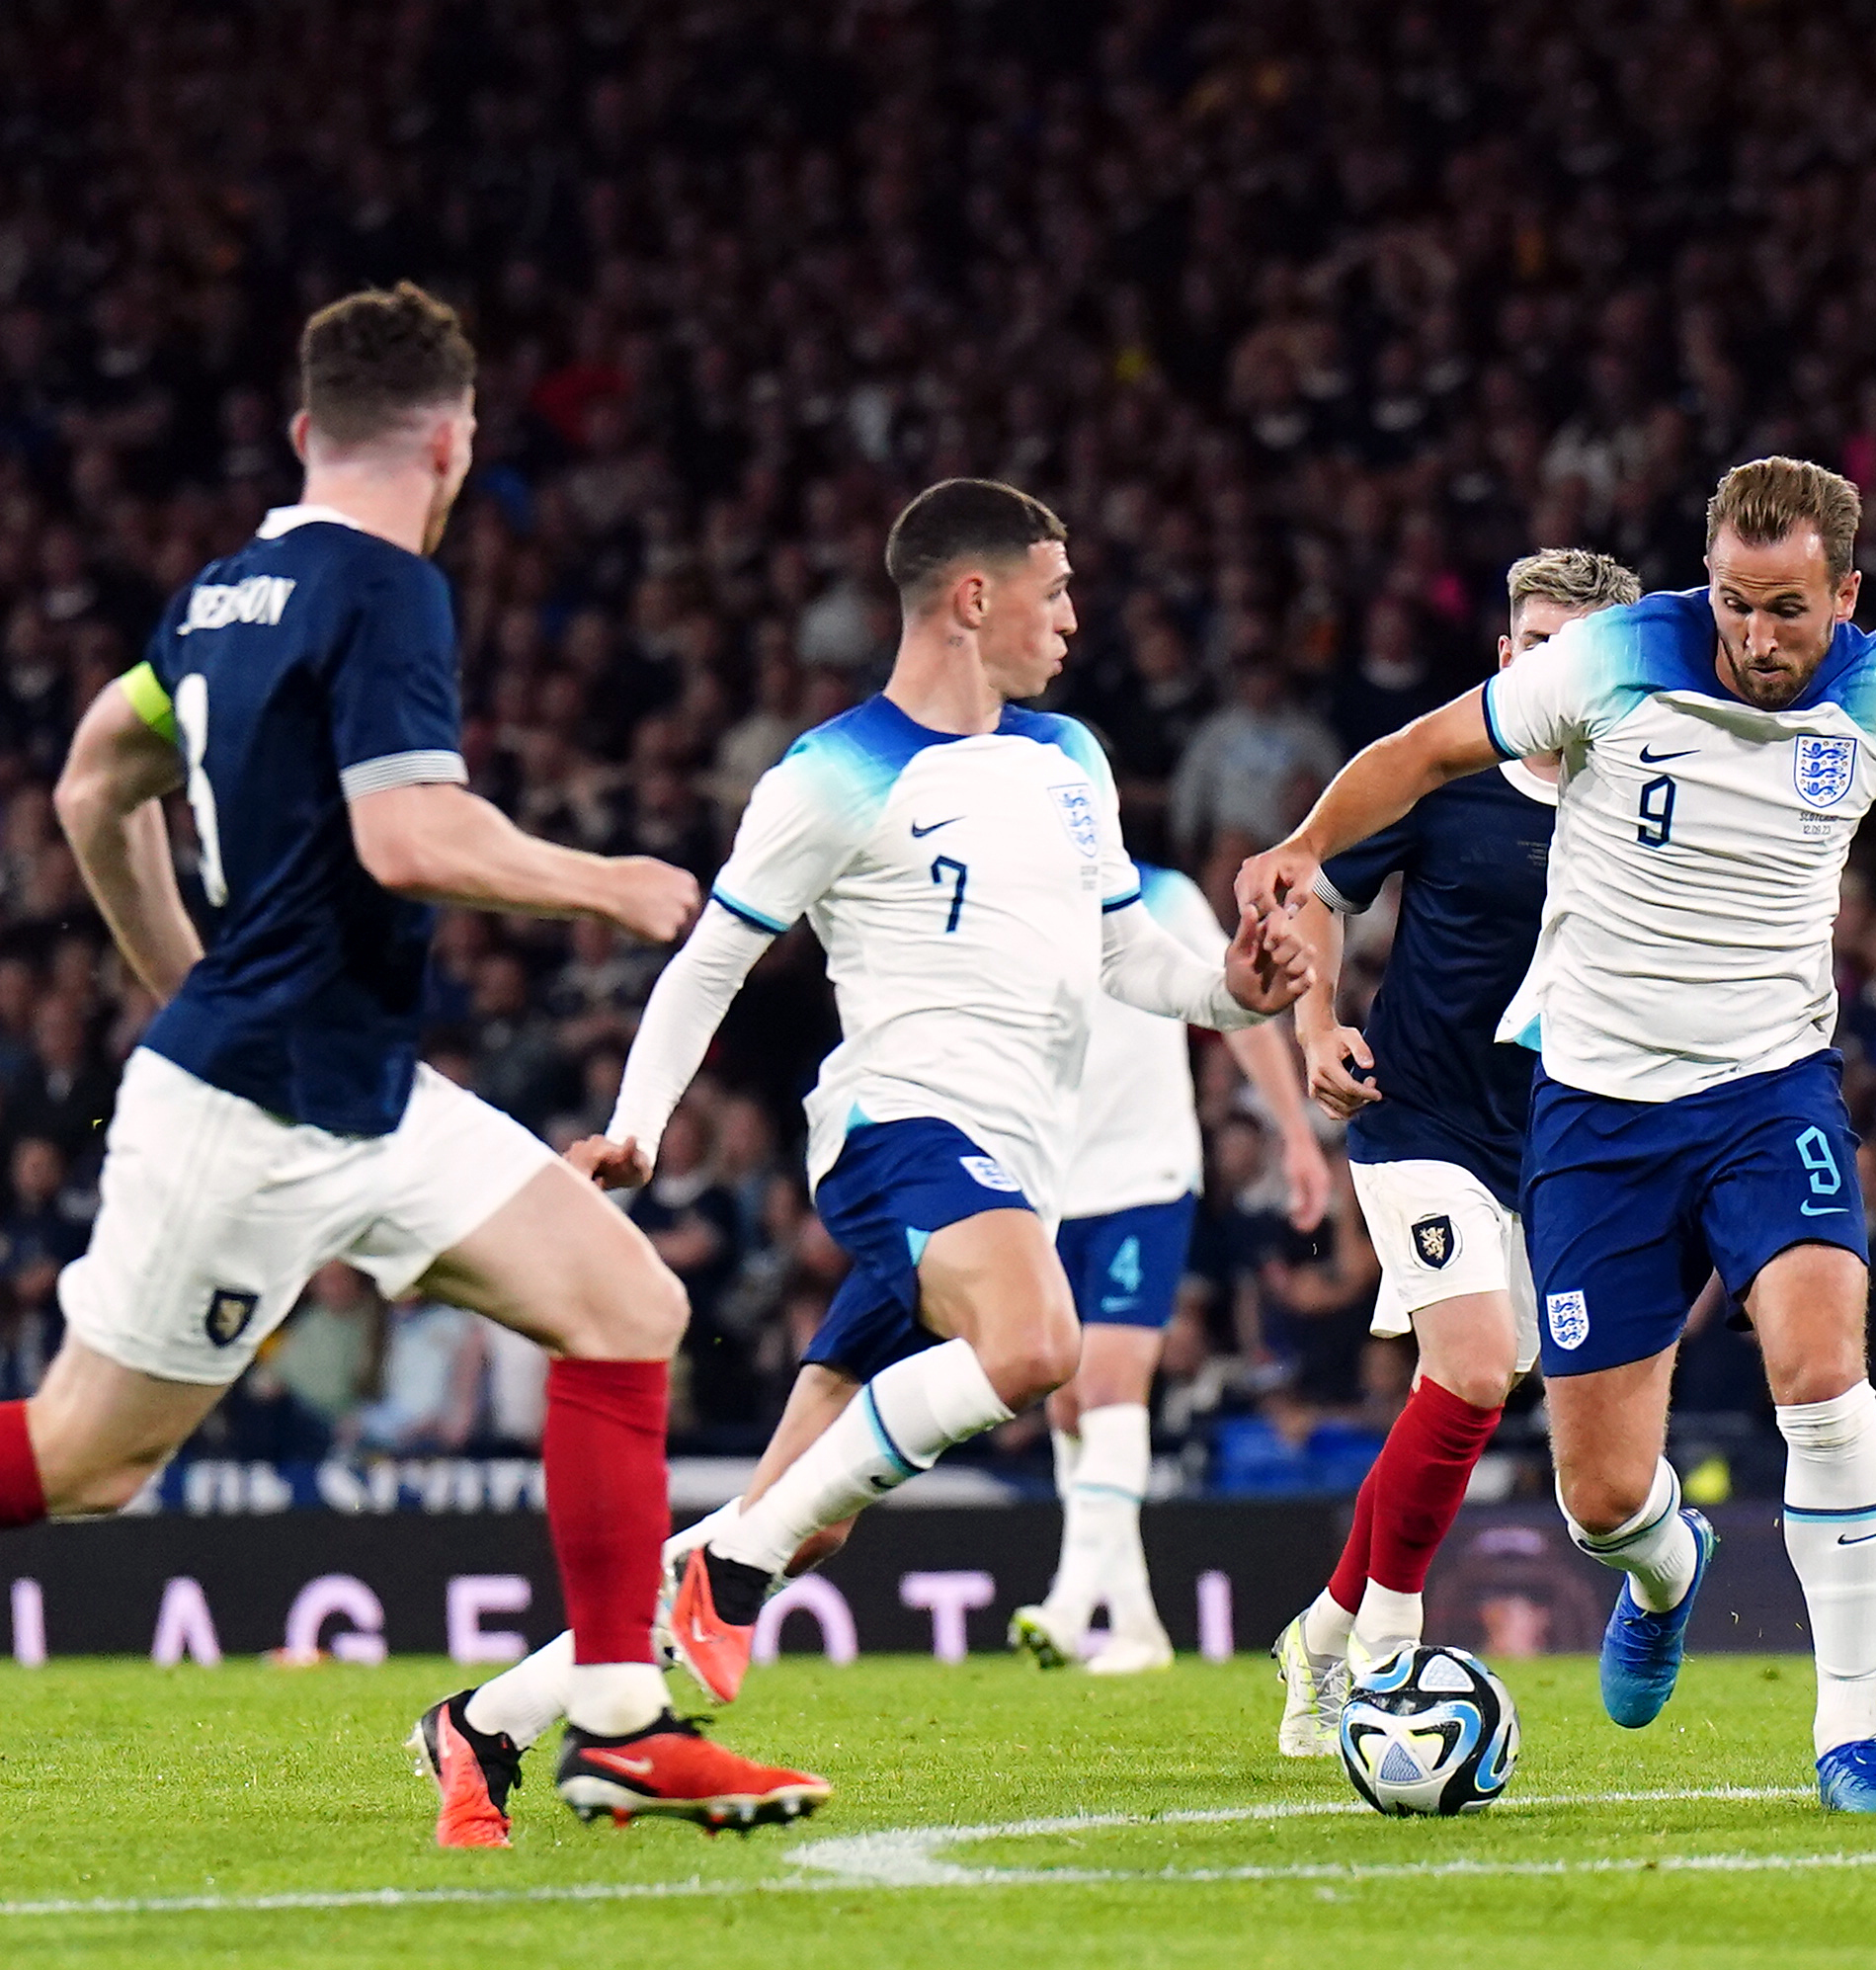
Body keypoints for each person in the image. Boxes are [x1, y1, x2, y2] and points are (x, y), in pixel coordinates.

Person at [1238, 460, 1876, 1813]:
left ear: (1846, 594)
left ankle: (1850, 1733)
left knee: (1820, 1368)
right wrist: (1301, 845)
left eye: (1789, 609)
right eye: (1736, 605)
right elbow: (1421, 752)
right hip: (1596, 1109)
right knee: (1600, 1493)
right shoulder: (1619, 655)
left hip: (1769, 1091)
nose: (1755, 638)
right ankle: (1666, 1565)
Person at [0, 283, 824, 1845]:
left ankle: (618, 1724)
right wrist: (615, 881)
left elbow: (91, 785)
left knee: (625, 1305)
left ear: (310, 430)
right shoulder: (388, 590)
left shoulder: (219, 599)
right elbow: (406, 833)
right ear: (454, 441)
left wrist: (185, 974)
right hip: (254, 1105)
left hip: (354, 1085)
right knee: (86, 1458)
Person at [484, 479, 1301, 1747]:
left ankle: (486, 1719)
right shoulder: (831, 773)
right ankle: (733, 1570)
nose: (1075, 619)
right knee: (1037, 1344)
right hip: (900, 1131)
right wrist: (638, 1123)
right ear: (974, 599)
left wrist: (1235, 994)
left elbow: (1127, 957)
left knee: (806, 1513)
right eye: (1057, 589)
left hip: (1009, 1166)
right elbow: (708, 961)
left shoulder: (1068, 758)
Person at [1267, 546, 1641, 1757]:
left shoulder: (1645, 796)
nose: (1550, 669)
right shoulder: (1441, 774)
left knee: (1463, 1393)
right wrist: (1318, 1025)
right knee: (1476, 1370)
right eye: (1533, 645)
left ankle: (1318, 1634)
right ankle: (1388, 1649)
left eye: (1578, 651)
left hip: (1558, 1141)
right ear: (1503, 657)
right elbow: (1316, 888)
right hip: (1417, 1117)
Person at [1011, 889, 1329, 1678]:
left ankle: (1069, 1598)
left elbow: (1238, 1007)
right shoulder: (1013, 895)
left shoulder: (1158, 896)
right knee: (1067, 1398)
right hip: (1048, 1188)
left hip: (1142, 1180)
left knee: (1110, 1386)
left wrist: (1294, 1132)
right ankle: (1139, 1624)